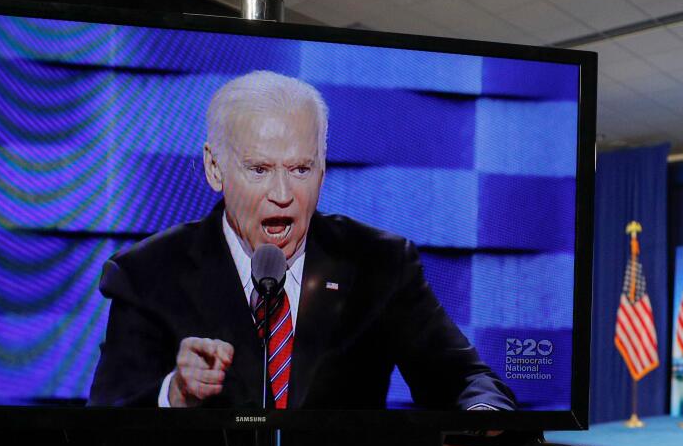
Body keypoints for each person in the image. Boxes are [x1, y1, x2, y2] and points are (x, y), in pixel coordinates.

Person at [87, 71, 515, 411]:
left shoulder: (379, 262)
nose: (282, 193)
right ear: (215, 169)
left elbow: (462, 379)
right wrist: (176, 394)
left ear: (323, 169)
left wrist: (481, 413)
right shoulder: (147, 273)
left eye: (300, 169)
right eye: (259, 169)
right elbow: (106, 427)